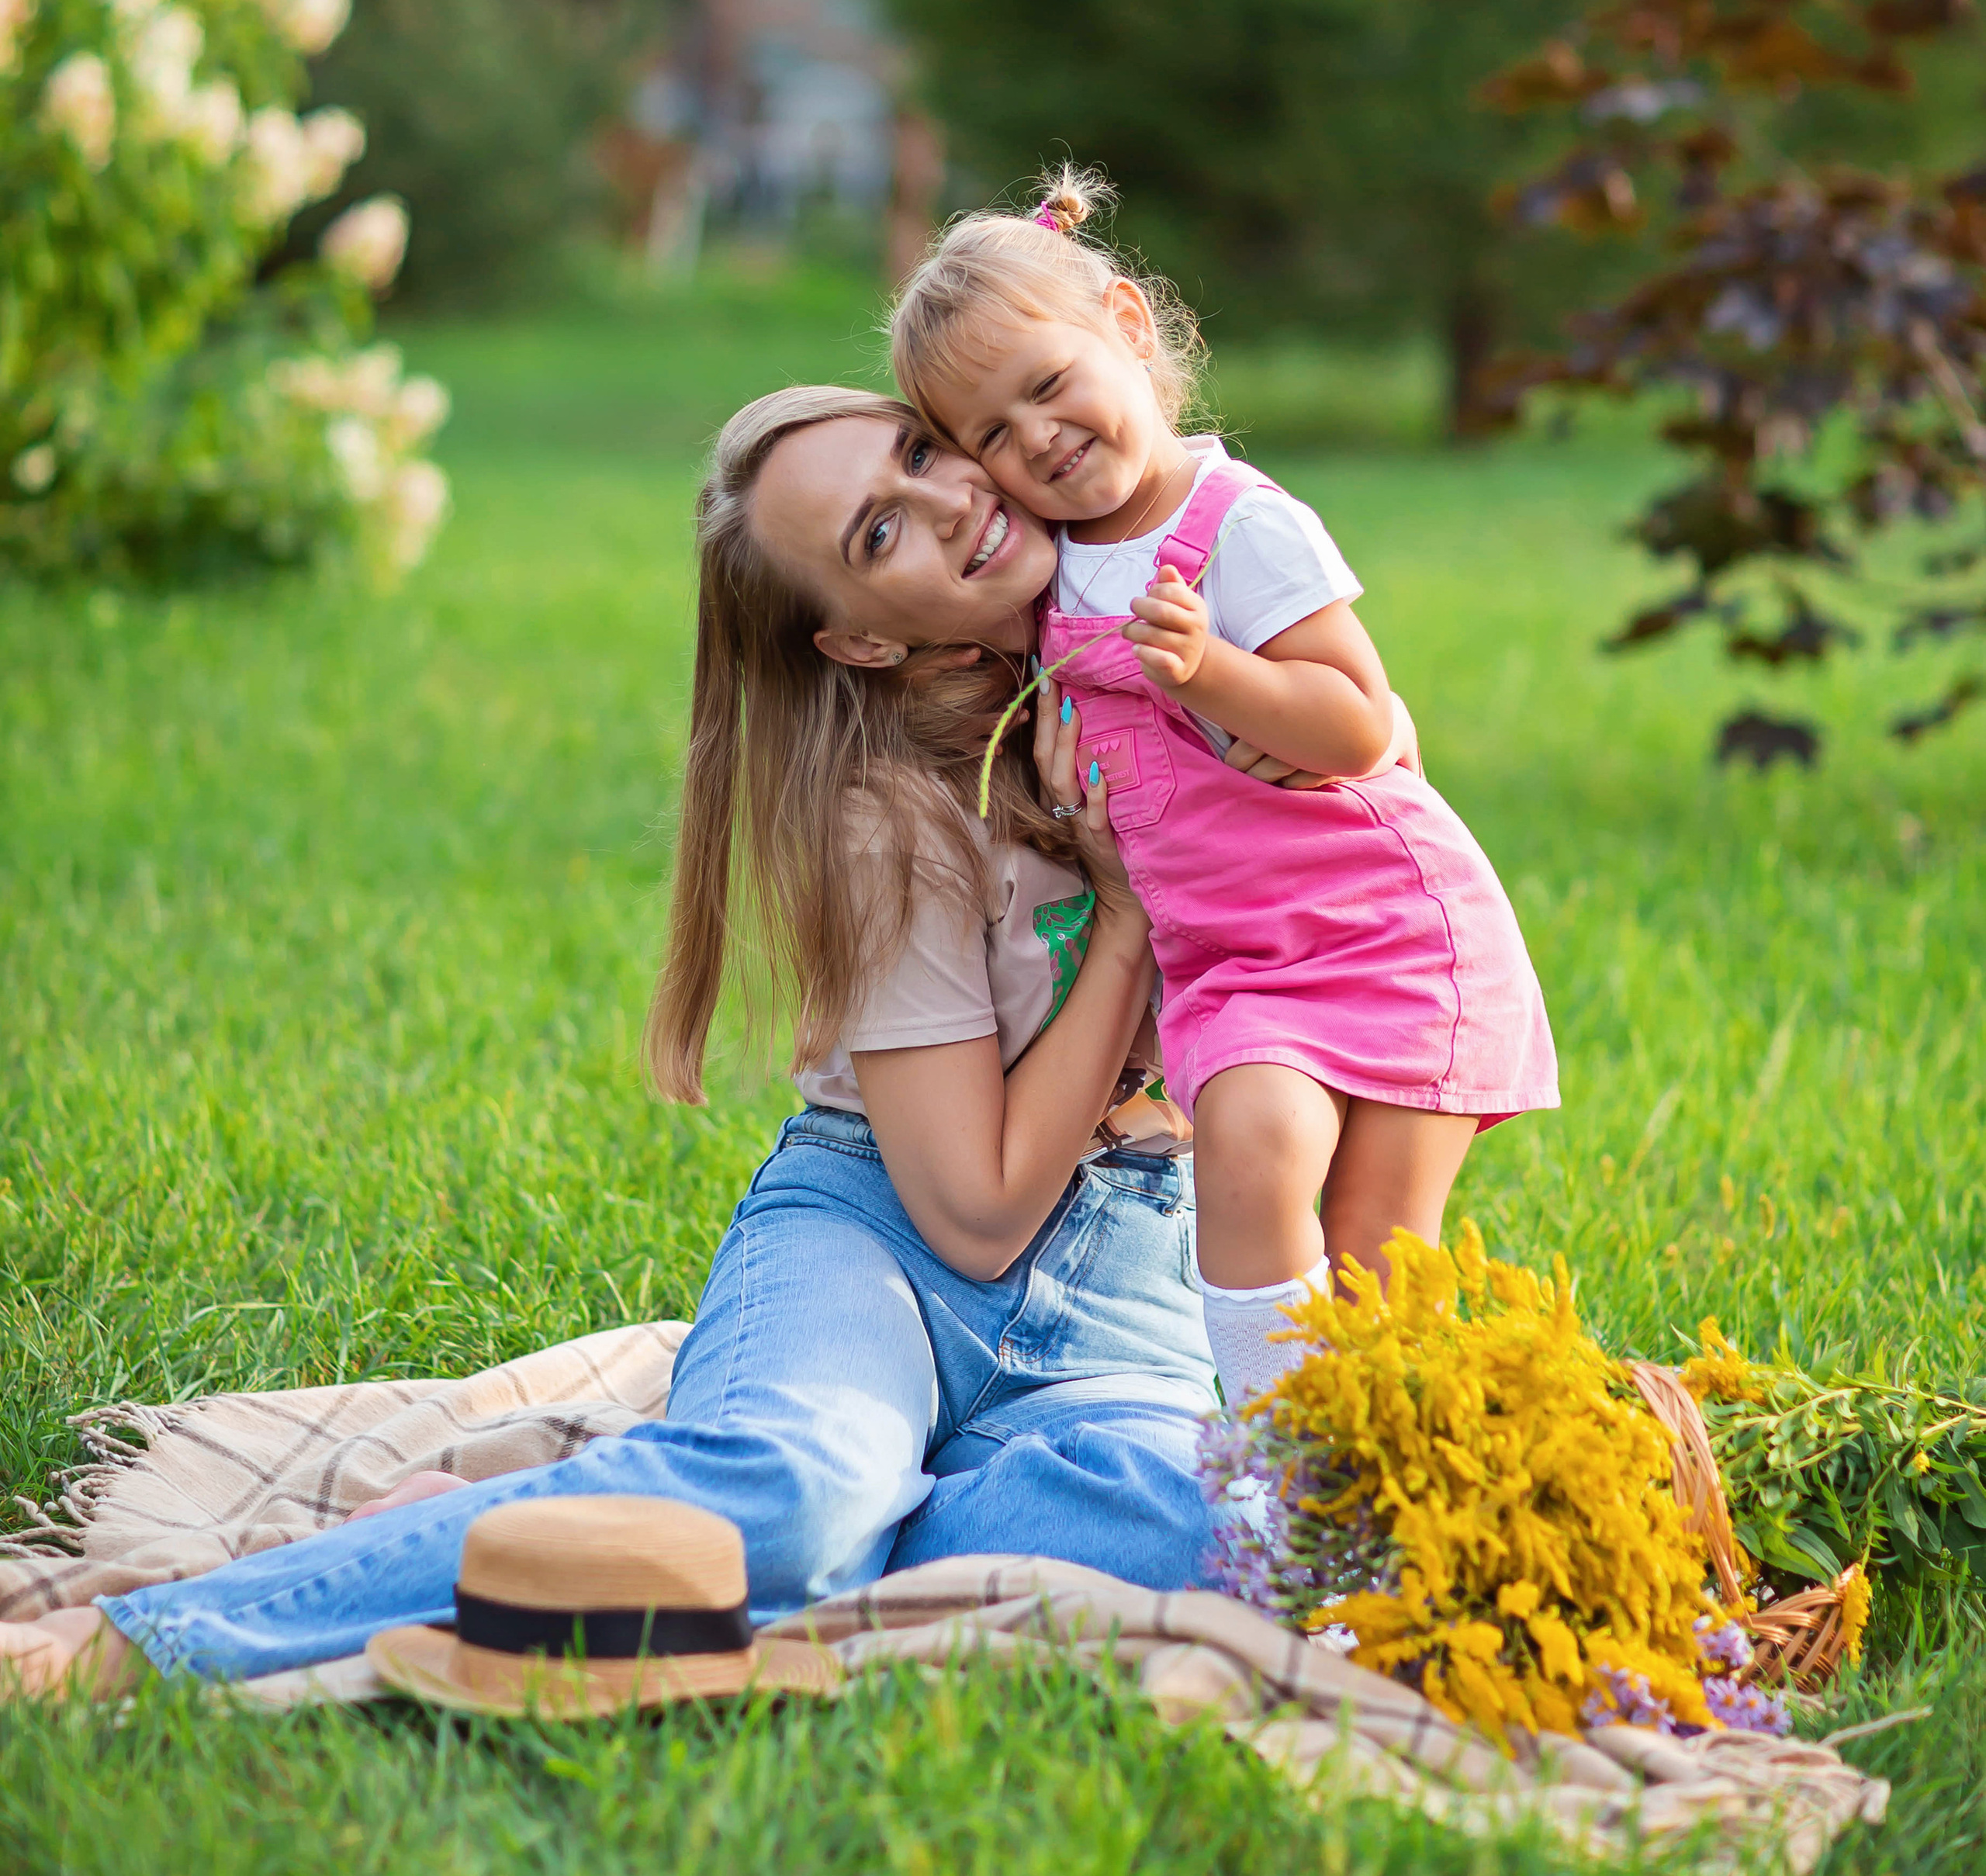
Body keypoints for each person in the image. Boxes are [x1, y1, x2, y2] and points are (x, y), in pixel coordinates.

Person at [4, 382, 1368, 1705]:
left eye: (917, 451)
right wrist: (1125, 915)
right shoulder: (885, 813)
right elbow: (978, 1214)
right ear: (862, 641)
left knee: (1244, 1539)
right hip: (886, 1234)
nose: (952, 501)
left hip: (1132, 1263)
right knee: (793, 1492)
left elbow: (1376, 776)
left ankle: (659, 1508)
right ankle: (159, 1638)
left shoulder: (1185, 640)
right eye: (879, 534)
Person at [890, 171, 1559, 1419]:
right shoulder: (1054, 568)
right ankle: (1282, 1472)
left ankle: (1377, 1511)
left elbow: (1362, 726)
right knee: (1248, 1163)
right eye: (990, 433)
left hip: (1385, 927)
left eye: (1046, 385)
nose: (1033, 438)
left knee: (1376, 1261)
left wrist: (1215, 672)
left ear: (1130, 332)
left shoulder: (1239, 520)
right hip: (1238, 967)